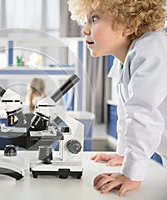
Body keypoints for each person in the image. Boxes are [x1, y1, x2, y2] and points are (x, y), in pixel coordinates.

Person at [68, 0, 167, 197]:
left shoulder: (151, 47)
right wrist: (123, 153)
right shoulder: (123, 60)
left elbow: (143, 114)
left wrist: (131, 175)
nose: (85, 30)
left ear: (129, 24)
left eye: (95, 19)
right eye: (85, 20)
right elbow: (127, 112)